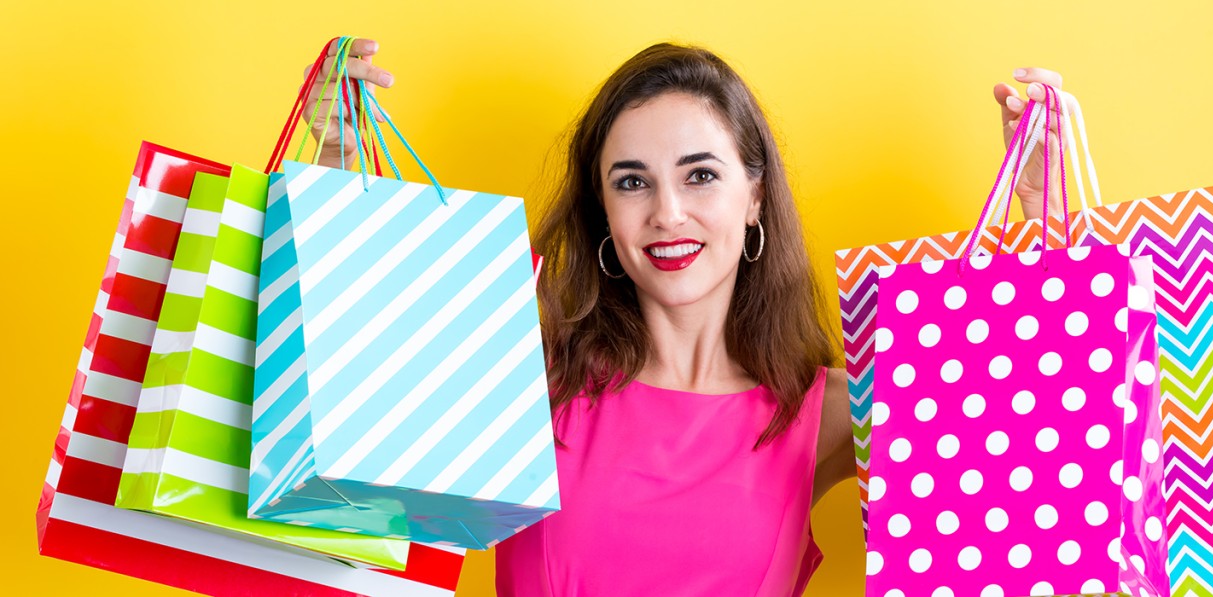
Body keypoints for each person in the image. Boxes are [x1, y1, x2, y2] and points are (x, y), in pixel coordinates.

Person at [303, 38, 1066, 596]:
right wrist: (333, 168)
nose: (667, 214)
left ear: (755, 194)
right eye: (632, 182)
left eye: (700, 174)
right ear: (603, 211)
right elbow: (343, 418)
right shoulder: (525, 380)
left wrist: (1042, 208)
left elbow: (1037, 449)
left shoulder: (831, 410)